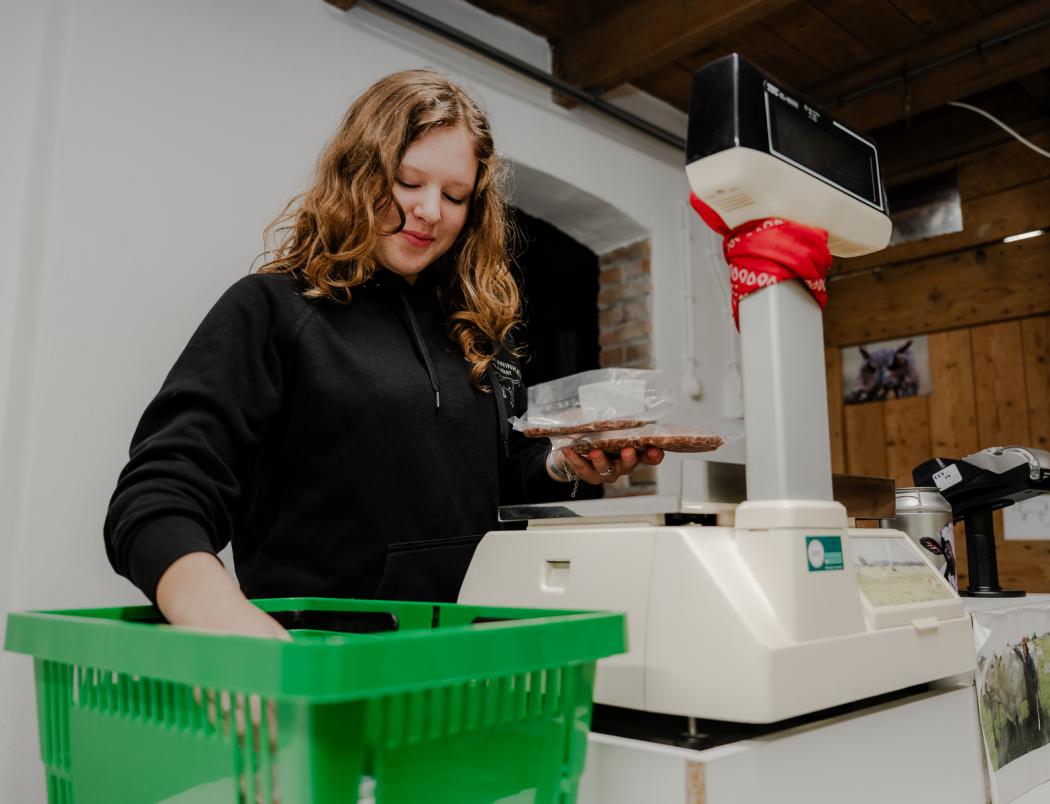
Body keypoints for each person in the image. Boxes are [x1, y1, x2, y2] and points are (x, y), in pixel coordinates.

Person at [103, 69, 663, 638]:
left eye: (454, 195)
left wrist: (560, 463)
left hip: (471, 663)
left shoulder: (477, 334)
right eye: (406, 182)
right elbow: (159, 494)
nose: (430, 211)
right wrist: (220, 618)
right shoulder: (273, 310)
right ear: (357, 173)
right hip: (328, 667)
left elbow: (496, 486)